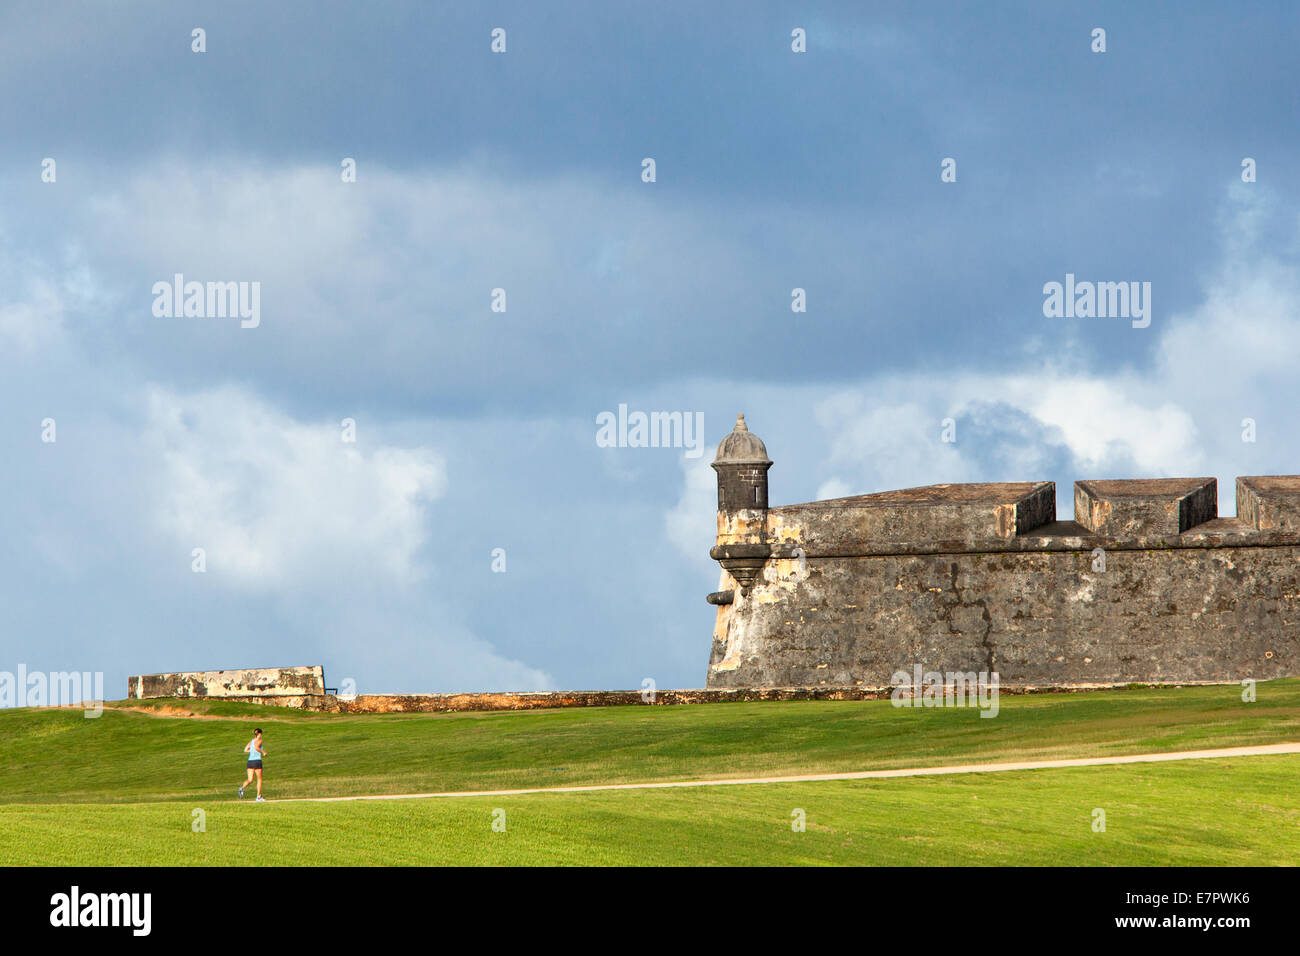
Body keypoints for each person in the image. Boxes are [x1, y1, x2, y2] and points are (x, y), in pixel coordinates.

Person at [238, 728, 267, 801]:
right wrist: (263, 752)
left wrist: (252, 750)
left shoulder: (251, 741)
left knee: (250, 779)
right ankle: (258, 796)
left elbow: (245, 750)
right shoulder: (260, 740)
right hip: (257, 761)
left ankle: (242, 788)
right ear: (260, 734)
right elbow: (257, 747)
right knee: (259, 779)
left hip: (250, 761)